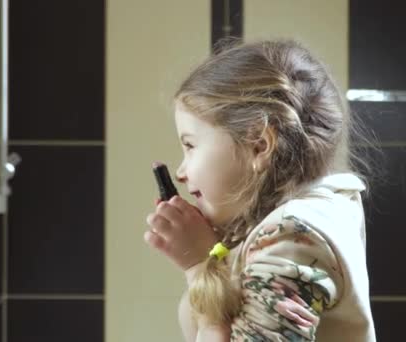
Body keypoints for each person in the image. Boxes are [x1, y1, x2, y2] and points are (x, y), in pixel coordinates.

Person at [144, 39, 376, 341]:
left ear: (259, 145)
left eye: (190, 145)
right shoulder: (306, 218)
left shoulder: (291, 235)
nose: (181, 172)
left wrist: (199, 266)